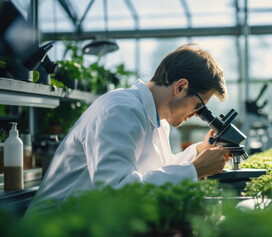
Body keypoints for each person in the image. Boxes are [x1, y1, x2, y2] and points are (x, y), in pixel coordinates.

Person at [27, 43, 230, 212]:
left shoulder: (158, 121)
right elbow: (116, 191)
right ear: (180, 87)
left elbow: (153, 173)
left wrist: (197, 153)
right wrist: (194, 170)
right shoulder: (119, 109)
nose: (197, 114)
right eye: (199, 105)